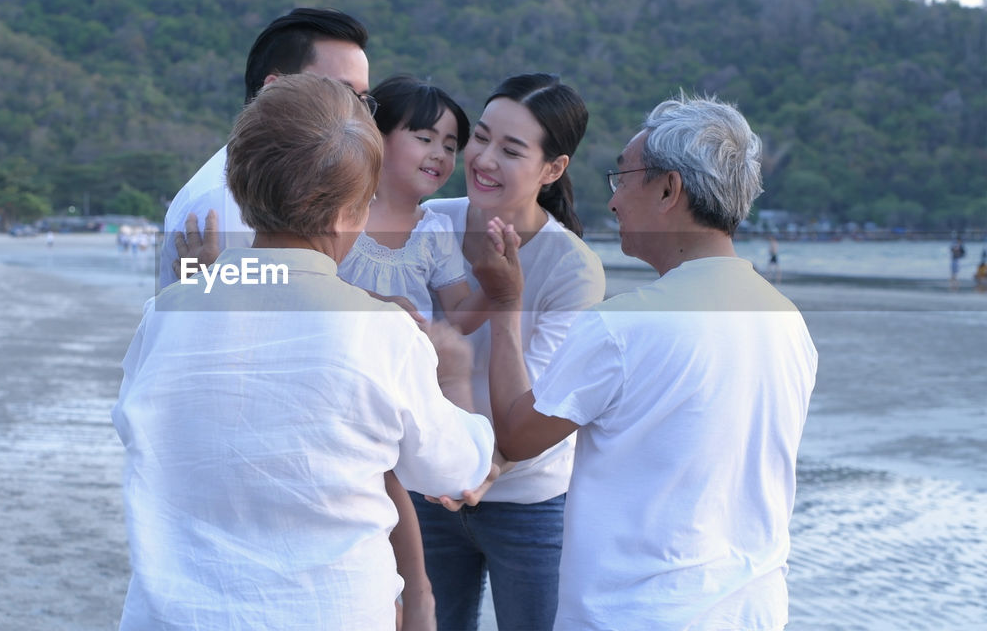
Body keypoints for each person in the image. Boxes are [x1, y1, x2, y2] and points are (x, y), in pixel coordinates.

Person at [112, 74, 496, 630]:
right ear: (349, 214)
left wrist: (201, 284)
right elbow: (454, 474)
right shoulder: (381, 332)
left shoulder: (165, 314)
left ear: (241, 190)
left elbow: (145, 432)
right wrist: (455, 373)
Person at [479, 94, 819, 630]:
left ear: (668, 189)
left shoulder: (623, 327)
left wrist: (503, 306)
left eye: (623, 179)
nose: (613, 202)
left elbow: (518, 439)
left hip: (633, 614)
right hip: (752, 611)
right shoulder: (788, 322)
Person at [415, 74, 606, 630]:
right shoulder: (429, 224)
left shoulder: (572, 268)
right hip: (427, 488)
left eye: (511, 149)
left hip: (529, 503)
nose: (484, 158)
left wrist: (491, 464)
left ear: (553, 170)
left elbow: (542, 404)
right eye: (480, 138)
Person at [157, 7, 371, 291]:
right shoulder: (220, 203)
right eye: (341, 91)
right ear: (273, 89)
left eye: (363, 98)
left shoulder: (298, 184)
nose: (357, 112)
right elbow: (259, 320)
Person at [337, 74, 489, 332]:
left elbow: (458, 317)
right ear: (376, 136)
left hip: (405, 367)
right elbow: (309, 282)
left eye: (450, 148)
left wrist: (496, 288)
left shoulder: (434, 232)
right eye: (425, 139)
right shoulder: (337, 210)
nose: (439, 155)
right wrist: (378, 304)